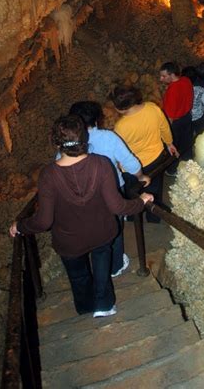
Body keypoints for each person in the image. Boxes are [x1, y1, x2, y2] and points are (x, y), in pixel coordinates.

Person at [9, 115, 153, 318]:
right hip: (102, 231)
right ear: (85, 138)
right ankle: (104, 305)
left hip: (69, 239)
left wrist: (20, 226)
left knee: (78, 276)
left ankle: (86, 306)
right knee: (102, 269)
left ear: (56, 142)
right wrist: (141, 201)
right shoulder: (102, 164)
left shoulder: (48, 175)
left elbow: (44, 221)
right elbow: (117, 205)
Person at [68, 101, 150, 276]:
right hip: (111, 190)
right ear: (97, 120)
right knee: (114, 228)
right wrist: (141, 177)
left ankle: (96, 261)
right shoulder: (108, 137)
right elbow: (129, 161)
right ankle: (115, 265)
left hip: (82, 196)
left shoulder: (67, 144)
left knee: (92, 227)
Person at [111, 86, 179, 222]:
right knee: (154, 189)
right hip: (156, 158)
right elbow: (164, 127)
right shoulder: (152, 108)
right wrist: (169, 143)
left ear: (120, 108)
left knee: (132, 193)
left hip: (132, 168)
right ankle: (154, 216)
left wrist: (118, 165)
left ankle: (132, 216)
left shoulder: (121, 126)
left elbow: (119, 150)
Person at [159, 62, 193, 175]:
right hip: (187, 117)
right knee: (187, 142)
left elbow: (170, 116)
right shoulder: (186, 80)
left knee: (173, 146)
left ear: (172, 75)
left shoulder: (172, 91)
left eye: (164, 76)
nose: (161, 79)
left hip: (176, 122)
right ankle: (189, 164)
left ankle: (172, 170)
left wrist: (166, 134)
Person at [181, 66, 204, 137]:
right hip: (199, 118)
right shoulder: (200, 89)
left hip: (186, 119)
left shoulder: (180, 90)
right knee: (202, 136)